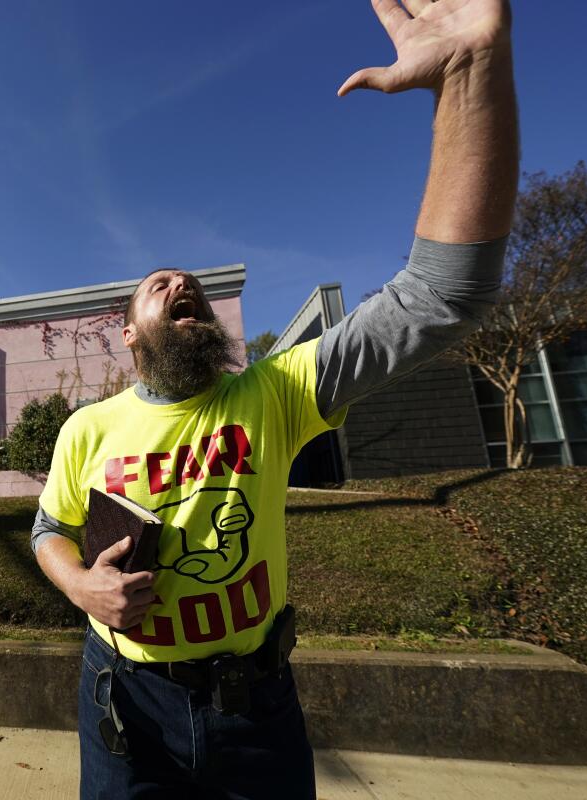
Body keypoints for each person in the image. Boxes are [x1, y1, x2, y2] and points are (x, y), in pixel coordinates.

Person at [31, 1, 519, 797]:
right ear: (128, 335)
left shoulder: (279, 390)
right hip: (122, 699)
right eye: (157, 287)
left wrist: (470, 76)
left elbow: (442, 297)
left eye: (189, 284)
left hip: (252, 708)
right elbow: (51, 527)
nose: (179, 281)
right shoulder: (88, 427)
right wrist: (80, 585)